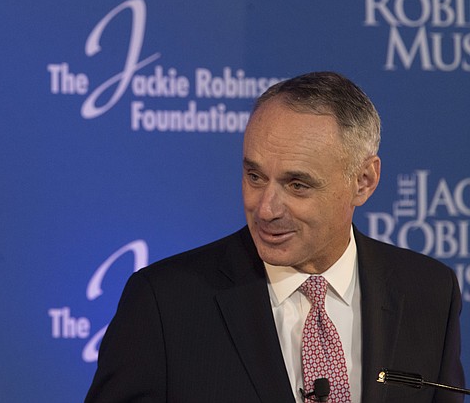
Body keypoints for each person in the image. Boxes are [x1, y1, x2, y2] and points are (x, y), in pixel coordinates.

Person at [85, 71, 464, 402]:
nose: (266, 208)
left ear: (363, 182)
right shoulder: (164, 303)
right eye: (255, 177)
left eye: (297, 185)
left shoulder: (429, 292)